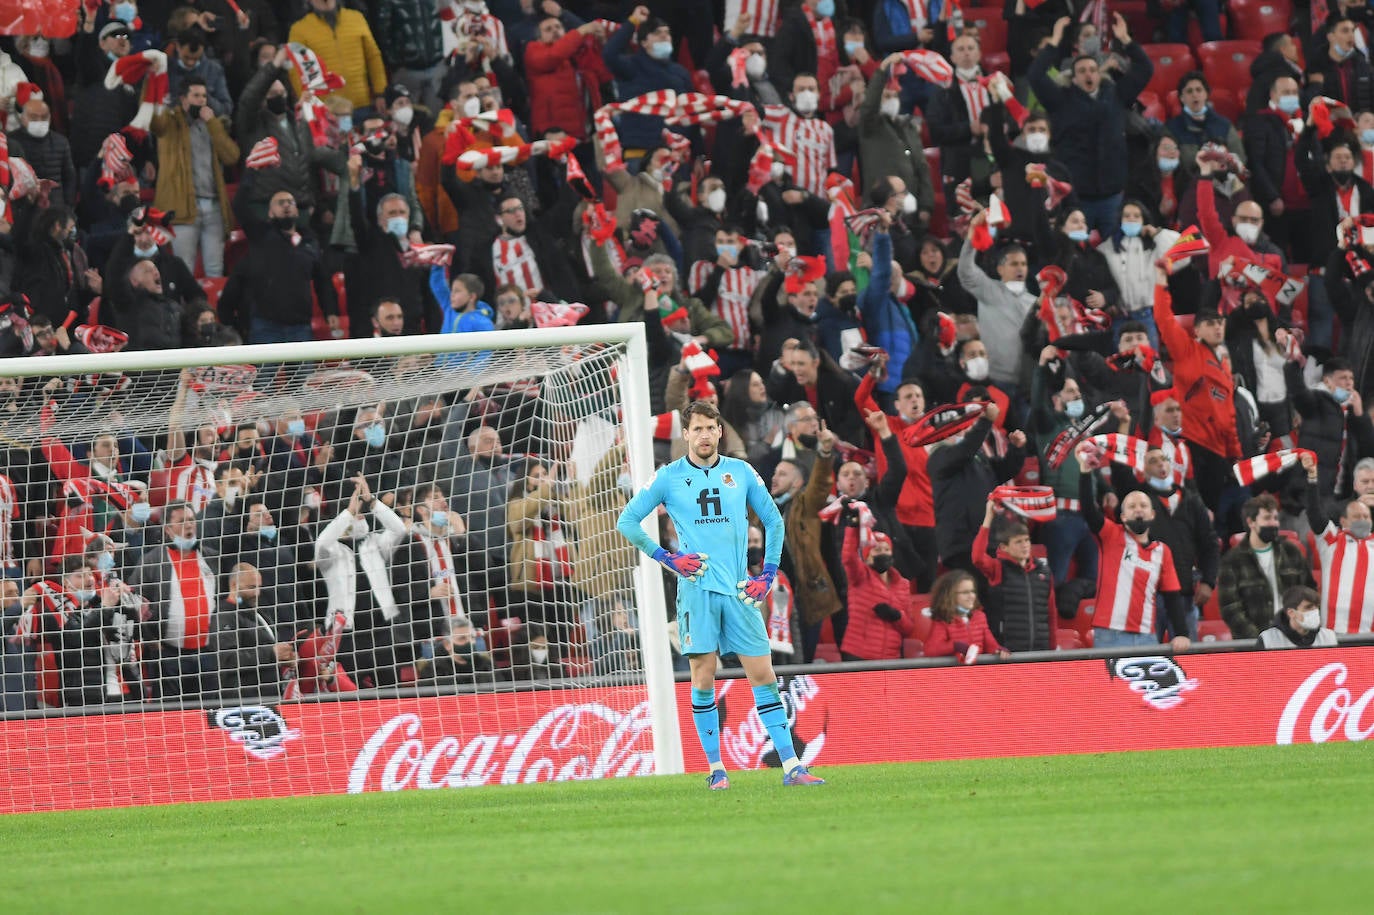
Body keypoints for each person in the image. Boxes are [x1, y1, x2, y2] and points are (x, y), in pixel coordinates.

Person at [616, 400, 825, 788]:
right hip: (696, 592)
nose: (704, 435)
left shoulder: (741, 472)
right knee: (702, 677)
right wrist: (668, 558)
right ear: (686, 434)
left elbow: (774, 521)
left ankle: (793, 766)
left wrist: (767, 573)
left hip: (740, 590)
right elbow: (626, 520)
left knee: (763, 675)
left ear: (720, 432)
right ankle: (716, 770)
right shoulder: (668, 477)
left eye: (711, 428)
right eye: (696, 429)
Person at [1075, 446, 1192, 652]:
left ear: (1153, 514)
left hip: (1147, 635)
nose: (1138, 509)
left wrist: (1182, 633)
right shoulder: (1111, 535)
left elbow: (1173, 597)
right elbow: (1088, 510)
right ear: (1123, 517)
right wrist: (1085, 473)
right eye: (1131, 506)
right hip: (1110, 635)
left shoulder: (1162, 551)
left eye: (1143, 505)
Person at [127, 500, 221, 699]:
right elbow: (132, 604)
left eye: (191, 520)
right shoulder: (151, 562)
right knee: (173, 715)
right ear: (168, 530)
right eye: (182, 521)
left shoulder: (211, 557)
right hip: (169, 655)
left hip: (208, 653)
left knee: (208, 713)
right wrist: (152, 641)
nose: (189, 525)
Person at [152, 77, 240, 279]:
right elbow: (156, 123)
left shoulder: (212, 124)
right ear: (183, 99)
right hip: (183, 207)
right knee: (185, 271)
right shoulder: (171, 123)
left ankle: (212, 311)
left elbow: (232, 156)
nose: (201, 100)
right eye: (196, 96)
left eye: (204, 96)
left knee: (215, 270)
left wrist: (213, 124)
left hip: (214, 207)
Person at [1217, 494, 1315, 640]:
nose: (1274, 523)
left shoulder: (1292, 552)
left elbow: (1309, 590)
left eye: (1275, 518)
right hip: (1252, 644)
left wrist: (1299, 627)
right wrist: (1260, 639)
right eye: (1267, 518)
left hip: (1293, 638)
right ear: (1251, 522)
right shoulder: (1232, 560)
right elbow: (1230, 608)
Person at [1303, 452, 1374, 634]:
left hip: (1369, 634)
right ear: (1343, 521)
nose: (1362, 520)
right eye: (1357, 516)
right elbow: (1315, 514)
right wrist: (1312, 478)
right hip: (1333, 632)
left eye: (1366, 517)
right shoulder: (1332, 540)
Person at [972, 504, 1056, 652]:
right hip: (1009, 652)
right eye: (1018, 542)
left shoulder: (1044, 571)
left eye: (1026, 540)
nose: (1024, 546)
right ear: (1004, 547)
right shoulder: (998, 568)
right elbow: (977, 557)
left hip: (1040, 651)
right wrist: (988, 518)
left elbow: (1051, 613)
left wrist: (1053, 649)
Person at [923, 570, 1011, 662]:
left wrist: (998, 650)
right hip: (953, 673)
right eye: (965, 592)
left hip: (977, 672)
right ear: (949, 595)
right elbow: (931, 650)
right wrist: (955, 646)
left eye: (973, 591)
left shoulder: (980, 617)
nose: (971, 596)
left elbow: (989, 642)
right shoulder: (943, 619)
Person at [1258, 586, 1339, 650]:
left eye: (1316, 607)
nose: (1314, 611)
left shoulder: (1329, 637)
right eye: (1308, 607)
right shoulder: (1268, 640)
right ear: (1291, 613)